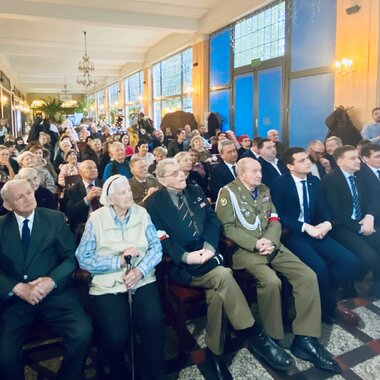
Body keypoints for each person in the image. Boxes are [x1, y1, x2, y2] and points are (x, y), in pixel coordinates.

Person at [145, 159, 296, 379]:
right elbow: (160, 236)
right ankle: (256, 335)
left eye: (181, 171)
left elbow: (212, 221)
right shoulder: (154, 203)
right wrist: (186, 256)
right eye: (175, 173)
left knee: (217, 296)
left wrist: (208, 246)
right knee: (225, 275)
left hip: (209, 256)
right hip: (184, 266)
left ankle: (214, 356)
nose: (182, 175)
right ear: (161, 179)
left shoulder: (195, 191)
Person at [215, 158, 340, 373]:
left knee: (308, 276)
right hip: (246, 250)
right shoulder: (228, 193)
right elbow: (227, 227)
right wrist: (255, 243)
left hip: (272, 244)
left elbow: (274, 218)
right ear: (241, 174)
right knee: (271, 282)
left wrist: (271, 240)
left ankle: (305, 338)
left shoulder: (264, 189)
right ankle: (272, 338)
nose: (260, 174)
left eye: (260, 170)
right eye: (254, 171)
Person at [0, 179, 92, 380]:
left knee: (82, 332)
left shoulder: (55, 219)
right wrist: (16, 287)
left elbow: (70, 258)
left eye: (29, 192)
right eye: (20, 196)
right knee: (5, 354)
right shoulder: (1, 227)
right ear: (7, 205)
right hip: (16, 301)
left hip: (54, 295)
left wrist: (51, 280)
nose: (28, 198)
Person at [76, 175, 165, 380]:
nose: (129, 195)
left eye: (129, 190)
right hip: (107, 285)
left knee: (153, 323)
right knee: (116, 335)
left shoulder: (141, 213)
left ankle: (154, 374)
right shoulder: (97, 218)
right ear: (111, 198)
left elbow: (156, 248)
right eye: (122, 192)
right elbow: (83, 258)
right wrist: (118, 262)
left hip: (142, 280)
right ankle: (118, 372)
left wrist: (140, 270)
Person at [271, 148, 361, 324]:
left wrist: (326, 223)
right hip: (293, 234)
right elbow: (279, 214)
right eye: (302, 160)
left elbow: (323, 207)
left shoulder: (314, 181)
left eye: (307, 159)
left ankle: (323, 290)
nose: (308, 163)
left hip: (316, 230)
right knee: (319, 267)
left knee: (351, 262)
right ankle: (329, 307)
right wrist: (304, 227)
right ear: (290, 166)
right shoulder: (280, 183)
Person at [322, 146, 380, 297]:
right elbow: (335, 211)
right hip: (342, 226)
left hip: (362, 221)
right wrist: (360, 228)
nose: (358, 161)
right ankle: (344, 283)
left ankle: (377, 286)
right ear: (340, 161)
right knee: (369, 257)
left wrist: (369, 217)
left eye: (358, 157)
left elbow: (372, 199)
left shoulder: (360, 175)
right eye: (352, 158)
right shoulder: (331, 179)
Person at [64, 160, 103, 235]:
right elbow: (70, 213)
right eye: (89, 168)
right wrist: (87, 199)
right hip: (83, 227)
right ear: (80, 172)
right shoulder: (72, 190)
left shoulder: (104, 185)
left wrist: (104, 197)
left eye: (95, 167)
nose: (94, 170)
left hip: (104, 224)